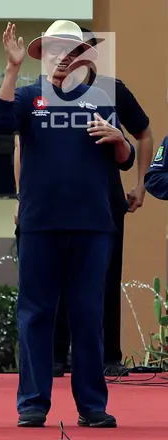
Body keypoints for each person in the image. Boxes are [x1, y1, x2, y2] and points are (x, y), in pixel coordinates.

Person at [0, 21, 131, 428]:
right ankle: (33, 403)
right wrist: (12, 69)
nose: (61, 58)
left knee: (88, 315)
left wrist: (119, 140)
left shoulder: (103, 97)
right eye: (53, 51)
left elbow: (122, 157)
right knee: (35, 313)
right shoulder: (29, 96)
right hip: (39, 223)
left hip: (93, 224)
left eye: (70, 51)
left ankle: (92, 405)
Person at [32, 26, 156, 377]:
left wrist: (141, 185)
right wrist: (20, 195)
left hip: (103, 202)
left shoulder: (111, 91)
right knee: (52, 281)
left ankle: (107, 357)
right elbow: (19, 146)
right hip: (50, 205)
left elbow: (143, 133)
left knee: (103, 278)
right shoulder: (39, 94)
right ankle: (55, 357)